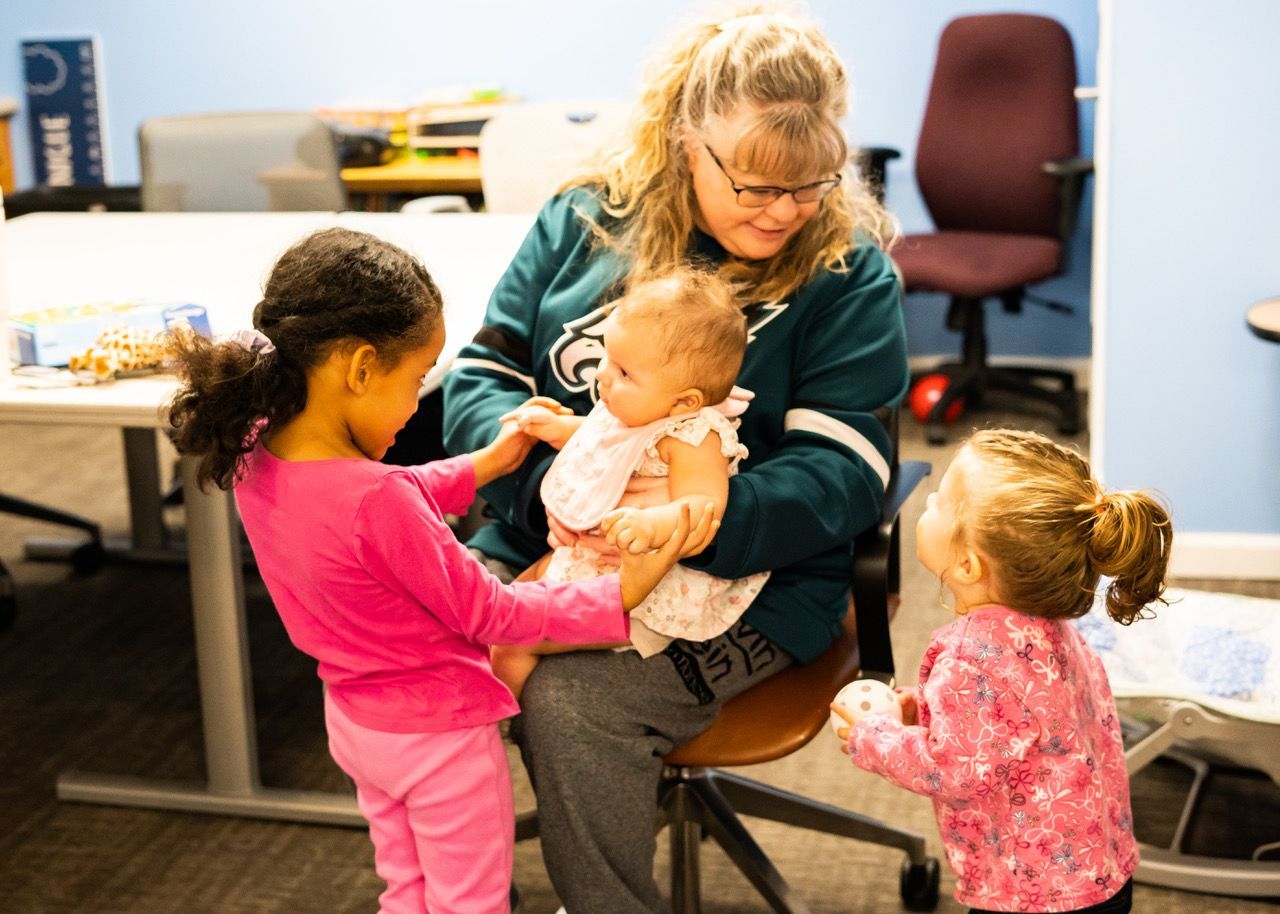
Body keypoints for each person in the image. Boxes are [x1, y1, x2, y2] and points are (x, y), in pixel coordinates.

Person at [441, 7, 908, 911]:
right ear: (686, 140)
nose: (785, 212)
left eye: (810, 185)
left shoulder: (845, 273)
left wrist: (677, 518)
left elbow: (845, 471)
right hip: (550, 532)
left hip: (745, 582)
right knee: (400, 639)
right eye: (755, 184)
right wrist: (562, 493)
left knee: (574, 708)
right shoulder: (584, 220)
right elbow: (486, 373)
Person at [164, 227, 715, 914]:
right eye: (417, 381)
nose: (417, 403)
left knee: (409, 890)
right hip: (437, 739)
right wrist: (620, 593)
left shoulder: (256, 448)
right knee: (470, 902)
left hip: (358, 724)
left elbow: (372, 506)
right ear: (361, 369)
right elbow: (496, 616)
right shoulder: (378, 501)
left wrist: (484, 464)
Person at [833, 429, 1173, 914]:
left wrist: (872, 736)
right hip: (1097, 869)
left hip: (1031, 893)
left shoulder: (971, 659)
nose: (928, 498)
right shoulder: (1048, 624)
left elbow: (950, 769)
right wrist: (924, 709)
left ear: (969, 566)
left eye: (942, 501)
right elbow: (1017, 722)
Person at [490, 268, 770, 695]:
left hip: (643, 587)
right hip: (588, 561)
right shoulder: (636, 405)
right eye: (607, 357)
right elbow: (602, 438)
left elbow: (704, 507)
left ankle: (496, 724)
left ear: (685, 401)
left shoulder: (694, 437)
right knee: (501, 606)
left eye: (624, 372)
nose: (603, 375)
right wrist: (553, 427)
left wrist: (653, 524)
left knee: (513, 636)